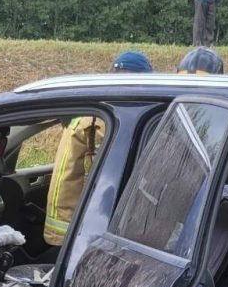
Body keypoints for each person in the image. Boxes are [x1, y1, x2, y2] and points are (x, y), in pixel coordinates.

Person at [43, 51, 153, 246]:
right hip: (140, 227)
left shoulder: (86, 121)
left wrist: (62, 238)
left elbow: (66, 178)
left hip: (95, 223)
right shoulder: (160, 119)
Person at [177, 47, 228, 184]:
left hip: (212, 192)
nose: (193, 90)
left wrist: (224, 172)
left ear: (217, 85)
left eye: (201, 85)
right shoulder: (169, 112)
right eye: (186, 85)